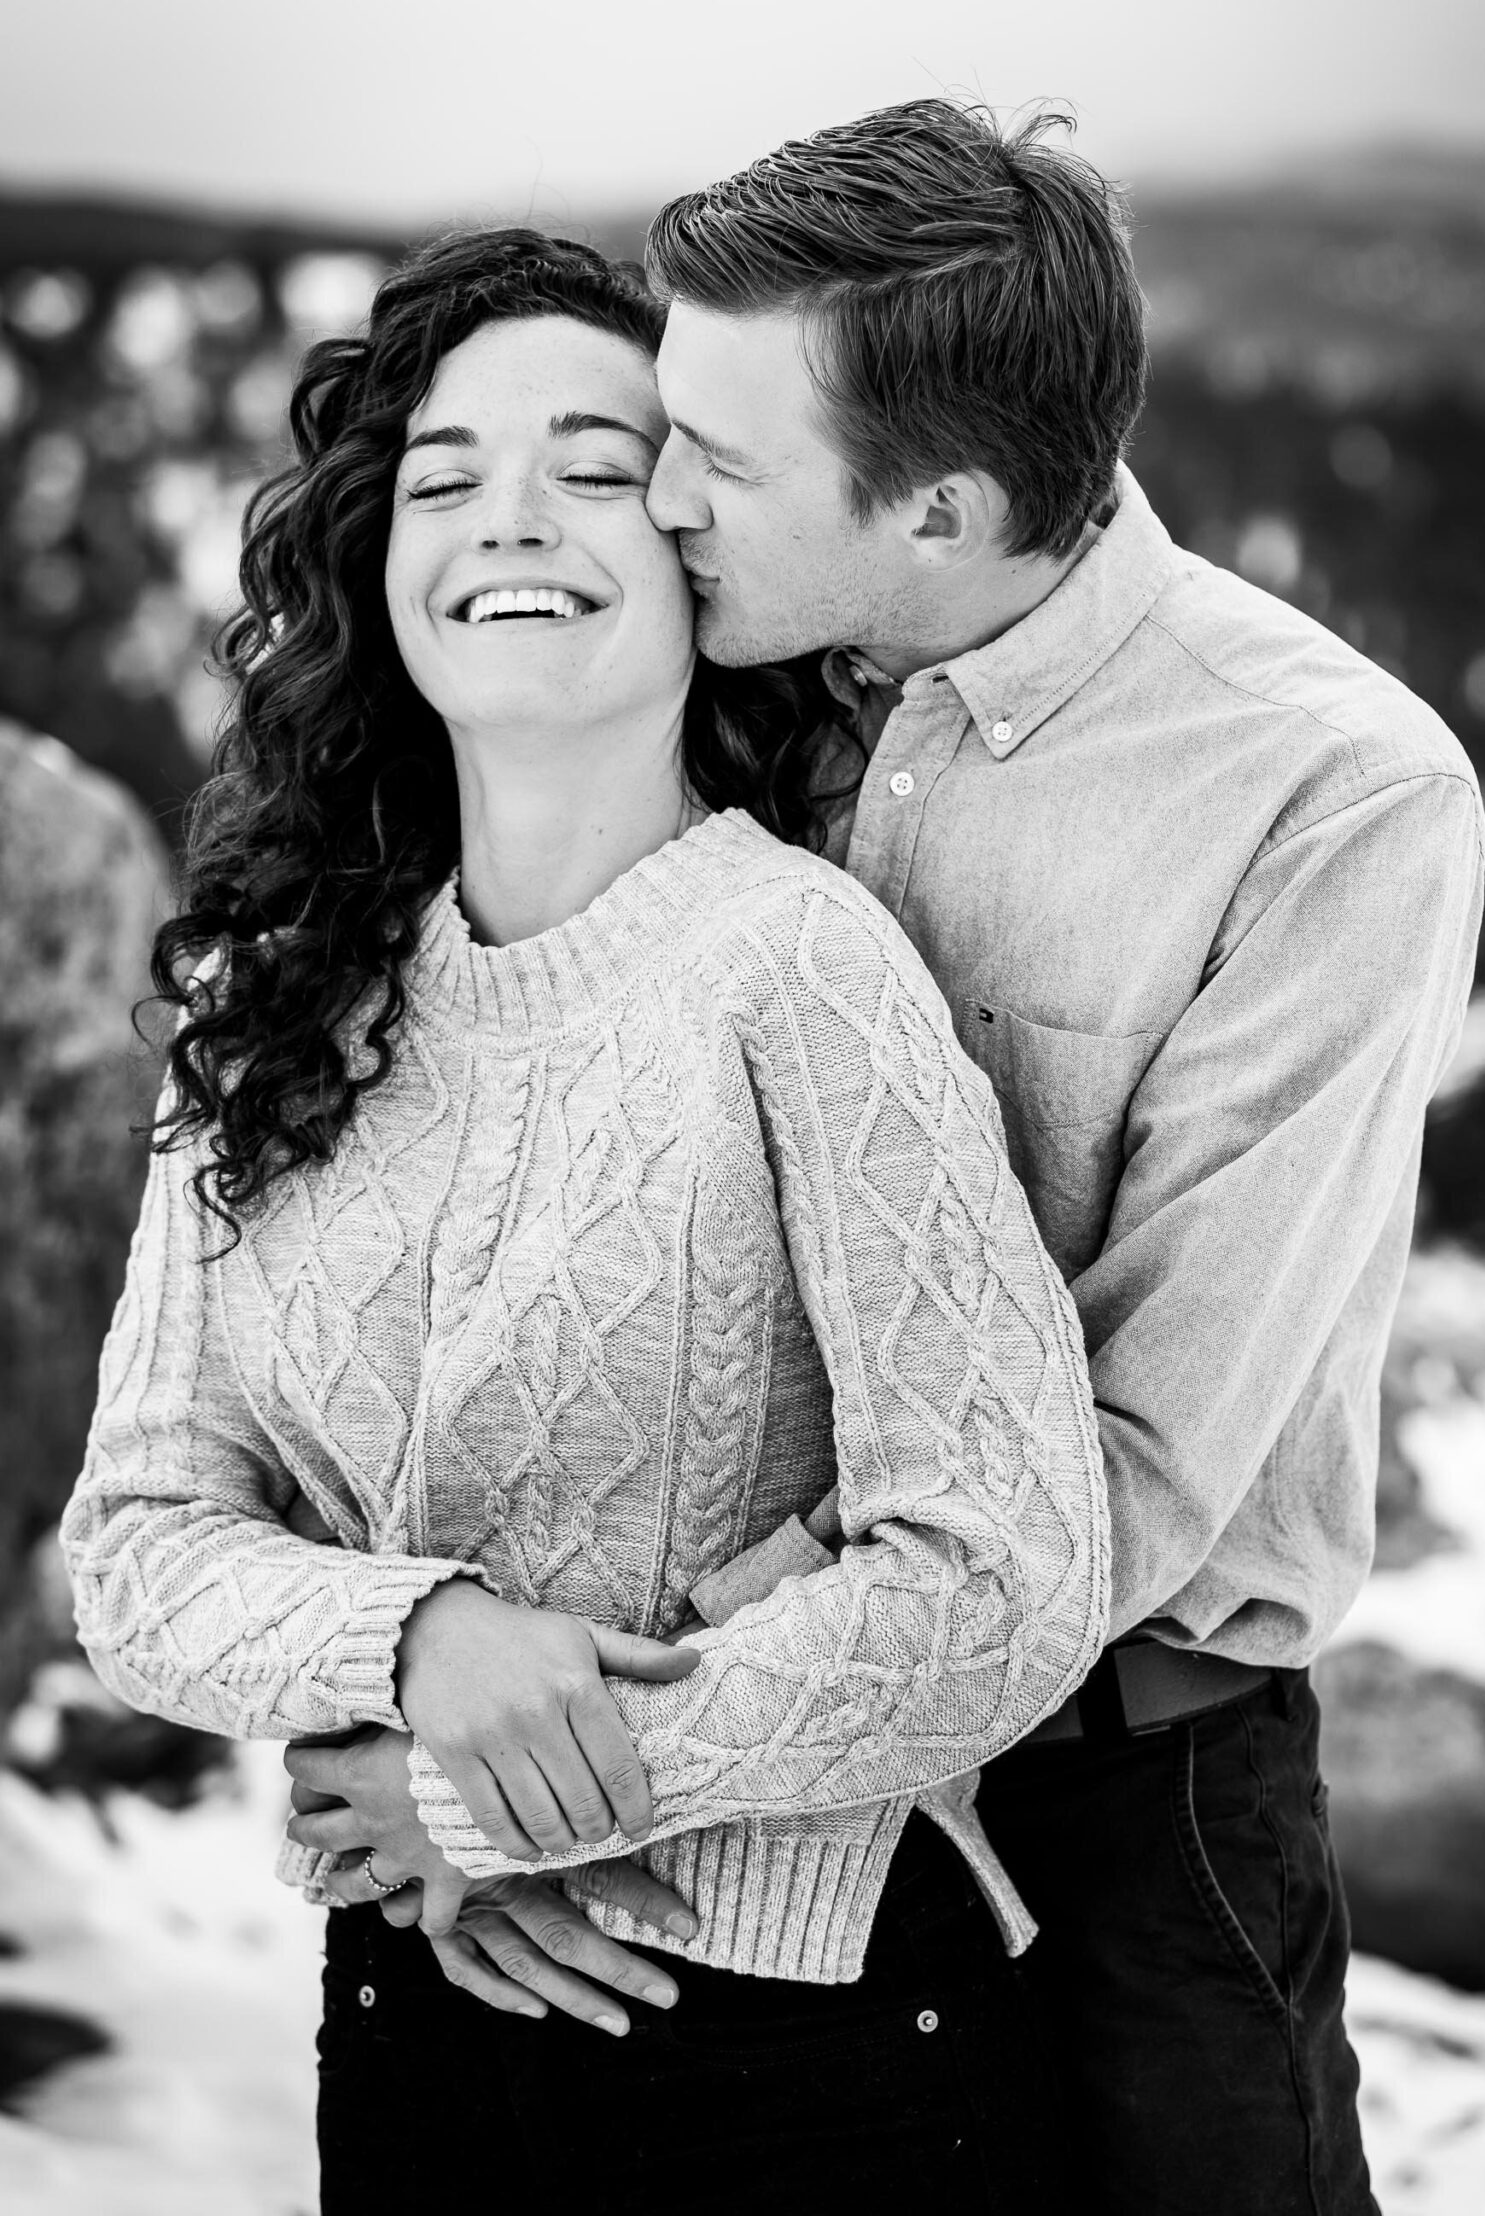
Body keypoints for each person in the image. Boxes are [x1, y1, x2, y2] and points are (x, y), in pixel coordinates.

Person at [444, 99, 1480, 2213]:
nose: (654, 501)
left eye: (715, 464)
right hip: (681, 1748)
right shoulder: (716, 672)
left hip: (1118, 1789)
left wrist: (619, 1728)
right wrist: (458, 1688)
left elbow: (1143, 1448)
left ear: (935, 504)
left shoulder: (1326, 798)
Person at [60, 226, 1112, 2216]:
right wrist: (419, 1640)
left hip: (795, 2057)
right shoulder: (276, 995)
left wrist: (495, 1792)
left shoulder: (796, 965)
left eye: (592, 460)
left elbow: (1001, 1570)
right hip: (411, 2013)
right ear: (381, 559)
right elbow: (134, 1542)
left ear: (698, 549)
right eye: (443, 475)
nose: (505, 519)